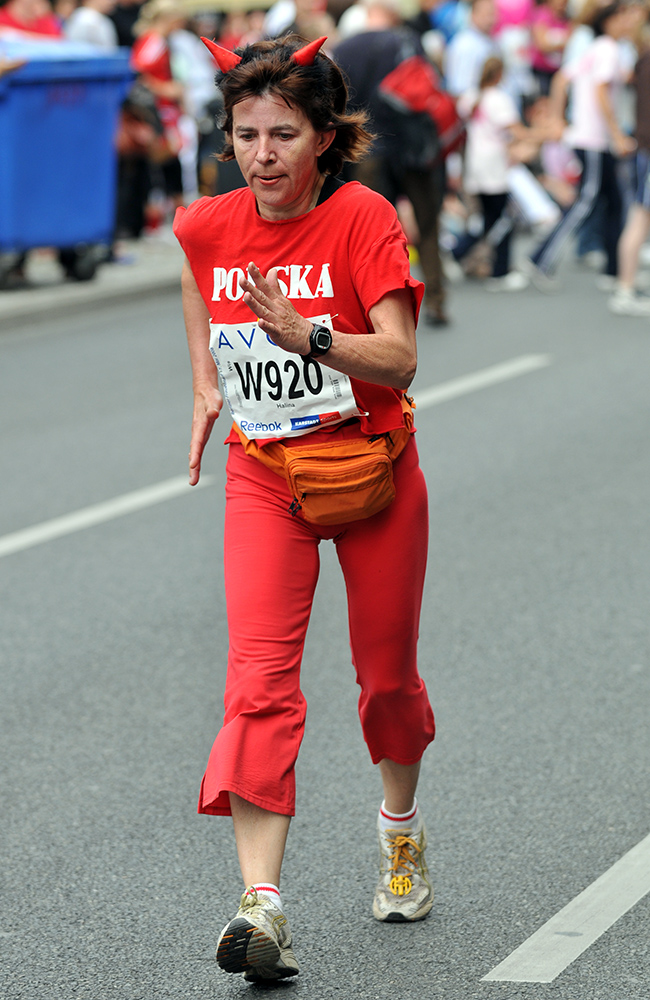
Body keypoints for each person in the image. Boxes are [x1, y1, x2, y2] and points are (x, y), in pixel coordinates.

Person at [173, 32, 435, 983]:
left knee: (387, 681)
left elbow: (402, 357)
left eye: (284, 134)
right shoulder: (211, 223)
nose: (262, 155)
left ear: (325, 137)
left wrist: (309, 335)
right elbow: (197, 279)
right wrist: (206, 379)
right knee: (257, 684)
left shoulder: (364, 218)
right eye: (246, 134)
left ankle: (399, 831)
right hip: (267, 475)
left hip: (371, 473)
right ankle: (262, 906)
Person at [333, 0, 449, 326]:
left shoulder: (346, 49)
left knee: (373, 234)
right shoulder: (408, 41)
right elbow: (431, 89)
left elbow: (340, 104)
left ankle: (376, 308)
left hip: (369, 149)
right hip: (414, 147)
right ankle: (436, 300)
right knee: (427, 226)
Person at [526, 1, 636, 287]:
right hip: (595, 140)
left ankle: (614, 270)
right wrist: (617, 133)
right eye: (626, 17)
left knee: (615, 201)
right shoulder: (608, 50)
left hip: (593, 139)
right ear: (611, 21)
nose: (631, 22)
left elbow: (563, 79)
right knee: (586, 202)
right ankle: (541, 257)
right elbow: (600, 91)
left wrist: (558, 116)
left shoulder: (598, 48)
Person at [609, 35, 650, 315]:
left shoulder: (644, 58)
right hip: (647, 148)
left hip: (643, 145)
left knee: (639, 215)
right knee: (639, 217)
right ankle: (625, 288)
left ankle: (626, 286)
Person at [444, 0, 499, 97]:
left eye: (493, 14)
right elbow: (460, 90)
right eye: (487, 14)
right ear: (473, 14)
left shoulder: (489, 40)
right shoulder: (465, 44)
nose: (491, 20)